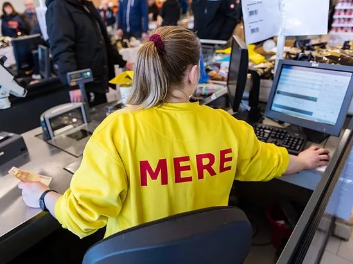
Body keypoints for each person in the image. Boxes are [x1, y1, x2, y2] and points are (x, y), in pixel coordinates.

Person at [19, 27, 329, 243]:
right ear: (194, 74)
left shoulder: (117, 131)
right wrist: (302, 160)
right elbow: (268, 162)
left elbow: (81, 219)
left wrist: (43, 196)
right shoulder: (225, 125)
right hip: (204, 252)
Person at [45, 0, 133, 106]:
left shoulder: (85, 5)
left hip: (97, 79)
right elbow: (62, 48)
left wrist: (122, 62)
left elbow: (103, 41)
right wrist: (73, 85)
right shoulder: (58, 7)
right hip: (83, 85)